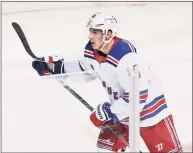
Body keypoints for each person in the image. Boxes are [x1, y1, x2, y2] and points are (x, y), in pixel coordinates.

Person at [32, 12, 183, 152]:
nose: (90, 36)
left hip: (150, 114)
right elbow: (84, 70)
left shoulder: (126, 57)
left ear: (108, 34)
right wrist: (57, 68)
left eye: (95, 32)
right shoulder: (92, 51)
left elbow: (138, 96)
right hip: (123, 114)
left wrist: (111, 111)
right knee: (105, 149)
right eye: (90, 31)